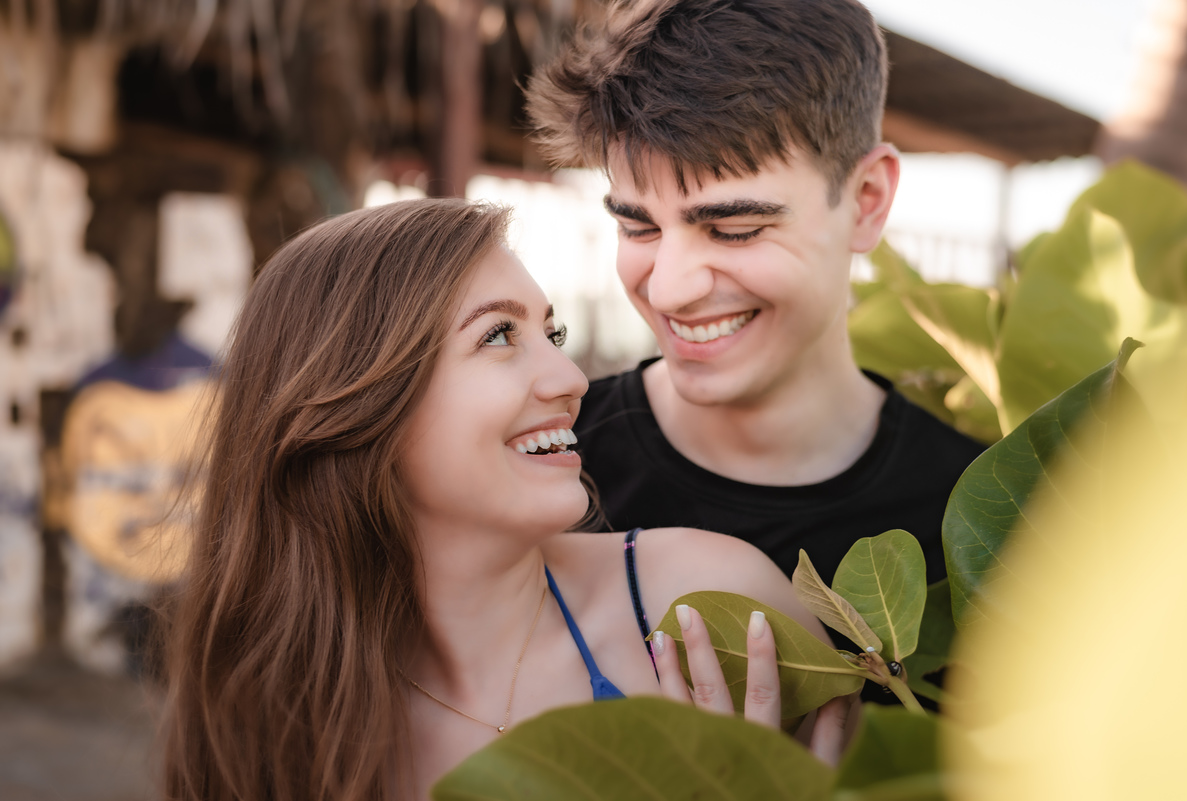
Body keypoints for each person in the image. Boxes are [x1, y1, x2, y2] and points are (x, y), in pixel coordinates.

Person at [161, 199, 848, 801]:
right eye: (498, 335)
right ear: (360, 404)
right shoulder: (264, 708)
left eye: (551, 334)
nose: (571, 377)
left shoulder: (705, 607)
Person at [526, 0, 987, 587]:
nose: (669, 290)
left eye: (734, 230)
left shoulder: (980, 529)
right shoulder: (550, 472)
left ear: (867, 201)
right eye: (638, 227)